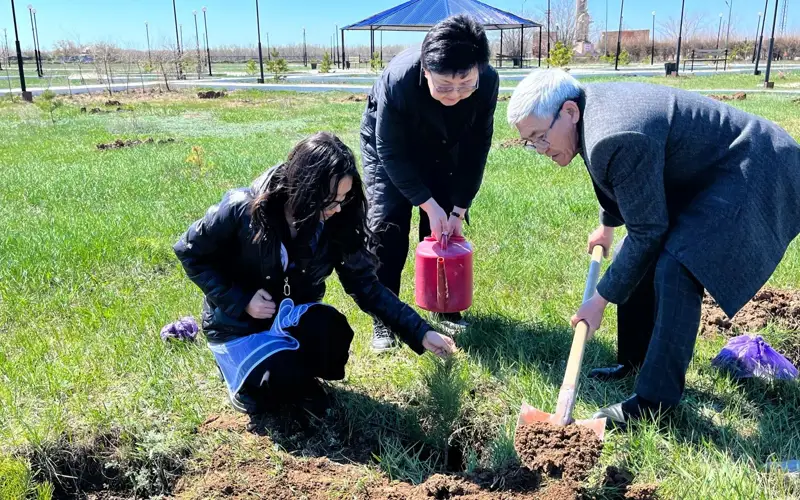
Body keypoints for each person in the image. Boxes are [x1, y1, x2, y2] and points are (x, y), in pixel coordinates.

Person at [506, 69, 800, 427]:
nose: (540, 149)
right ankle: (635, 361)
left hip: (755, 165)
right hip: (714, 168)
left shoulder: (614, 132)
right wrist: (607, 226)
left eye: (540, 137)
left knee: (678, 264)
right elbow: (628, 181)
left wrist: (599, 301)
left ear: (569, 111)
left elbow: (648, 229)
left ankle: (654, 402)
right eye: (530, 142)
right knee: (635, 252)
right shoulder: (589, 115)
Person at [173, 132, 456, 415]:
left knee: (333, 333)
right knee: (275, 389)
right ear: (304, 188)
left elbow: (366, 286)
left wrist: (420, 332)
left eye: (343, 198)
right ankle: (249, 380)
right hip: (237, 325)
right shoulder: (242, 209)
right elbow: (189, 252)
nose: (337, 209)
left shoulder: (335, 222)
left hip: (287, 315)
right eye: (329, 201)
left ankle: (286, 373)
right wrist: (241, 299)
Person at [360, 14, 499, 352]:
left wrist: (457, 208)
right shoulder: (399, 79)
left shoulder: (488, 82)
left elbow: (477, 148)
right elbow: (389, 150)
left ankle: (445, 305)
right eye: (444, 86)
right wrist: (426, 203)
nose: (455, 94)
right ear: (425, 70)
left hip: (445, 143)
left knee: (443, 225)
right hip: (392, 146)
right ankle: (386, 317)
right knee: (387, 225)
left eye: (465, 84)